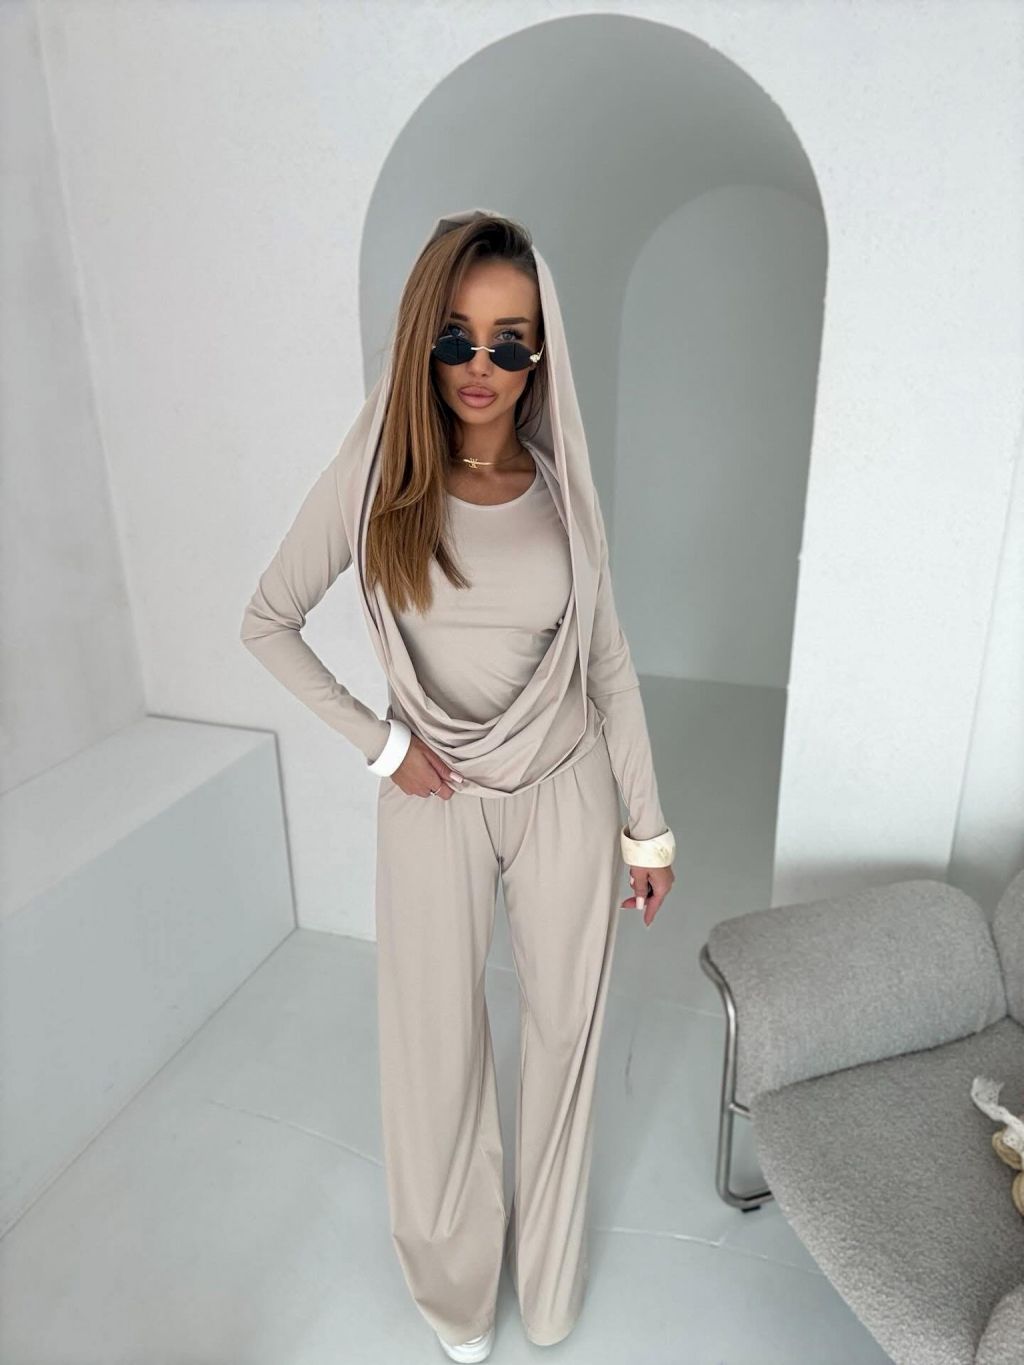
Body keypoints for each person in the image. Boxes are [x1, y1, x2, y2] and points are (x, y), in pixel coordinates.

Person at [240, 208, 676, 1361]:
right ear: (421, 341)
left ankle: (550, 1280)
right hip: (432, 799)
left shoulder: (563, 487)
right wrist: (384, 748)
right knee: (436, 1049)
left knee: (564, 1039)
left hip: (566, 788)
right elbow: (267, 620)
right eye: (455, 337)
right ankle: (455, 1291)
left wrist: (647, 829)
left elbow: (608, 664)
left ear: (540, 354)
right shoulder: (376, 474)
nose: (480, 365)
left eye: (509, 341)